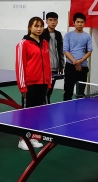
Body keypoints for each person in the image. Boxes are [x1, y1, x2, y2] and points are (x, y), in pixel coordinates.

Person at [15, 17, 52, 150]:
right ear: (30, 27)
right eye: (36, 26)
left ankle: (33, 137)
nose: (39, 29)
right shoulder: (23, 44)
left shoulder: (45, 43)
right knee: (27, 113)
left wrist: (48, 82)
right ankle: (22, 139)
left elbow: (47, 64)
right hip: (30, 84)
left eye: (41, 26)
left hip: (43, 83)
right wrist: (22, 86)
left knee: (38, 112)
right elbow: (20, 66)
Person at [62, 12, 92, 101]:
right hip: (70, 67)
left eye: (82, 22)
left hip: (83, 68)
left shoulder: (87, 36)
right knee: (68, 91)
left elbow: (89, 51)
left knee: (80, 93)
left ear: (84, 23)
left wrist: (80, 62)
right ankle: (66, 107)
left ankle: (79, 108)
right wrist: (75, 62)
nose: (80, 24)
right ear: (74, 23)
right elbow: (65, 51)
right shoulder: (68, 35)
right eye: (78, 22)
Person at [41, 12, 64, 104]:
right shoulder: (42, 33)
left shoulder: (58, 34)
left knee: (49, 90)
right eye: (50, 20)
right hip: (43, 67)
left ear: (57, 22)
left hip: (55, 67)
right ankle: (43, 106)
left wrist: (61, 65)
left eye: (55, 20)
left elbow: (61, 51)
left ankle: (47, 104)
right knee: (43, 90)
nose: (53, 22)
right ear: (46, 21)